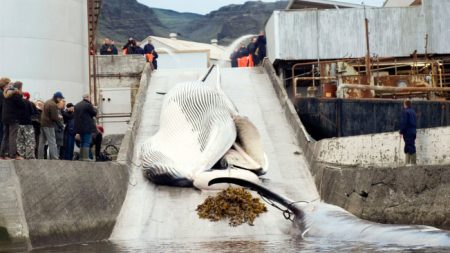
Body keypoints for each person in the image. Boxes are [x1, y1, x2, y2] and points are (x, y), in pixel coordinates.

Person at [0, 81, 24, 159]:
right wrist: (21, 95)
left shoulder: (5, 94)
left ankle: (2, 154)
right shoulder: (16, 95)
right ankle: (13, 155)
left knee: (5, 136)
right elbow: (22, 105)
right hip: (13, 118)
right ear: (19, 88)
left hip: (5, 117)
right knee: (13, 136)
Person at [38, 92, 64, 160]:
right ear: (57, 98)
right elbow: (54, 117)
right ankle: (55, 157)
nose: (60, 100)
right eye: (60, 99)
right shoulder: (53, 104)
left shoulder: (47, 102)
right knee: (52, 142)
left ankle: (40, 157)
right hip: (49, 125)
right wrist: (61, 125)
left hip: (43, 124)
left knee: (42, 142)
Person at [74, 94, 97, 161]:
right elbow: (94, 113)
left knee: (82, 142)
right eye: (89, 97)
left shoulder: (77, 105)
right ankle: (86, 157)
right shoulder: (87, 105)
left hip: (79, 127)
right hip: (86, 127)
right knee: (86, 142)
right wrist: (94, 108)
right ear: (87, 97)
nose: (90, 99)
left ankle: (81, 157)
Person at [17, 91, 37, 159]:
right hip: (28, 124)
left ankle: (21, 154)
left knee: (20, 140)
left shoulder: (17, 102)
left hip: (18, 124)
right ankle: (29, 156)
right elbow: (33, 112)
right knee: (29, 140)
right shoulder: (29, 103)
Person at [400, 100, 417, 165]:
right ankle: (407, 163)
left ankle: (413, 163)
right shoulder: (413, 112)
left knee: (410, 146)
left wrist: (401, 131)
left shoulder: (406, 112)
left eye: (404, 104)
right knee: (408, 146)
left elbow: (404, 123)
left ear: (405, 105)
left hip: (408, 132)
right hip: (413, 132)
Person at [0, 77, 11, 149]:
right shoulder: (1, 93)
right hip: (1, 117)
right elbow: (2, 106)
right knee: (1, 135)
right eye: (9, 84)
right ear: (5, 84)